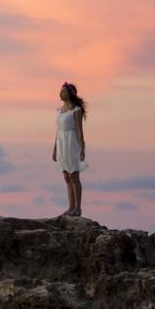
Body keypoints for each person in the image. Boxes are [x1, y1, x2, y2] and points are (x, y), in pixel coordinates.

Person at [53, 81, 89, 216]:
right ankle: (70, 207)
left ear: (70, 94)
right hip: (62, 143)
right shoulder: (58, 110)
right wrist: (55, 149)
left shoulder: (76, 110)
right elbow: (58, 131)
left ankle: (77, 208)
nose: (60, 93)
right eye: (60, 91)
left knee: (74, 175)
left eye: (63, 91)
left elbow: (79, 130)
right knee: (66, 177)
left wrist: (82, 148)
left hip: (72, 142)